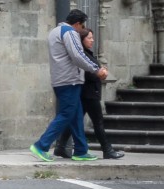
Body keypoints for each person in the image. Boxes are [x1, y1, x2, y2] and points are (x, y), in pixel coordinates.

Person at [29, 9, 108, 162]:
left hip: (61, 79)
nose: (82, 30)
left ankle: (80, 150)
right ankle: (41, 145)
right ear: (77, 23)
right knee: (66, 114)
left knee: (76, 115)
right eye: (82, 26)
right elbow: (78, 55)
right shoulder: (70, 32)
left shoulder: (55, 31)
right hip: (69, 80)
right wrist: (96, 70)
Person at [54, 29, 124, 160]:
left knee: (74, 121)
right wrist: (100, 72)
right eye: (89, 38)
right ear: (82, 40)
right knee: (98, 122)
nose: (92, 40)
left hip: (87, 93)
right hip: (88, 94)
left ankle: (60, 147)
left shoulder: (86, 54)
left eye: (92, 38)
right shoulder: (82, 55)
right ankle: (107, 150)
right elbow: (86, 72)